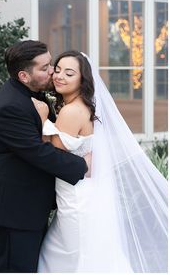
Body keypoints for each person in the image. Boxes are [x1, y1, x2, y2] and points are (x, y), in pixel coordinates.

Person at [32, 50, 168, 273]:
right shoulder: (85, 106)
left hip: (76, 196)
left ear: (82, 79)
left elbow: (52, 157)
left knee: (69, 254)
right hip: (88, 191)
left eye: (69, 73)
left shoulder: (71, 111)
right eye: (57, 70)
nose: (59, 76)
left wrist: (43, 120)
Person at [0, 40, 91, 273]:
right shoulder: (11, 107)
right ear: (24, 76)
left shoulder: (33, 93)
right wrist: (81, 165)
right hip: (12, 207)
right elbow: (38, 152)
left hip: (27, 202)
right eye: (45, 68)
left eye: (51, 64)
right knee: (16, 268)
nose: (53, 72)